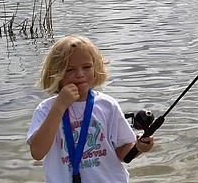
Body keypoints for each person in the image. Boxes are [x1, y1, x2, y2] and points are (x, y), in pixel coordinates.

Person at [27, 35, 154, 182]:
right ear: (56, 74)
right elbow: (37, 152)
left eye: (86, 67)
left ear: (96, 68)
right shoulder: (46, 109)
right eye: (70, 70)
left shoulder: (108, 105)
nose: (80, 74)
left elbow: (122, 153)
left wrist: (139, 147)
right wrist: (59, 106)